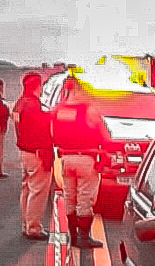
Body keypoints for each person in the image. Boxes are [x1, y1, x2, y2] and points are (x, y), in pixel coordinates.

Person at [13, 72, 55, 240]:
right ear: (38, 86)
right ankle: (34, 228)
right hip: (36, 152)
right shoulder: (33, 105)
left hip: (24, 151)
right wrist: (52, 115)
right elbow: (41, 127)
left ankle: (27, 224)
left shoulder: (19, 104)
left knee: (27, 189)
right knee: (38, 191)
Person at [61, 96, 105, 249]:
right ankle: (84, 238)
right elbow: (103, 135)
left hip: (66, 157)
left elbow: (54, 133)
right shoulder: (90, 110)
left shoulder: (63, 110)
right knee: (85, 199)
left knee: (70, 198)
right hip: (86, 158)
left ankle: (73, 236)